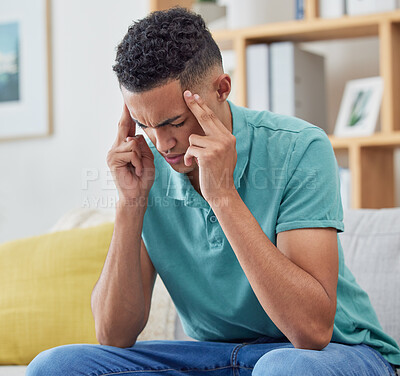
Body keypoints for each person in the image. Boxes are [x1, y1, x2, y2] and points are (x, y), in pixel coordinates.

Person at [27, 7, 400, 376]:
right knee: (56, 366)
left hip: (329, 353)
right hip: (215, 355)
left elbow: (311, 332)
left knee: (284, 368)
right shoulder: (146, 166)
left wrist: (223, 196)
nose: (162, 144)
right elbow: (112, 335)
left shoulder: (300, 148)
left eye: (174, 122)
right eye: (145, 125)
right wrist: (131, 203)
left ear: (221, 89)